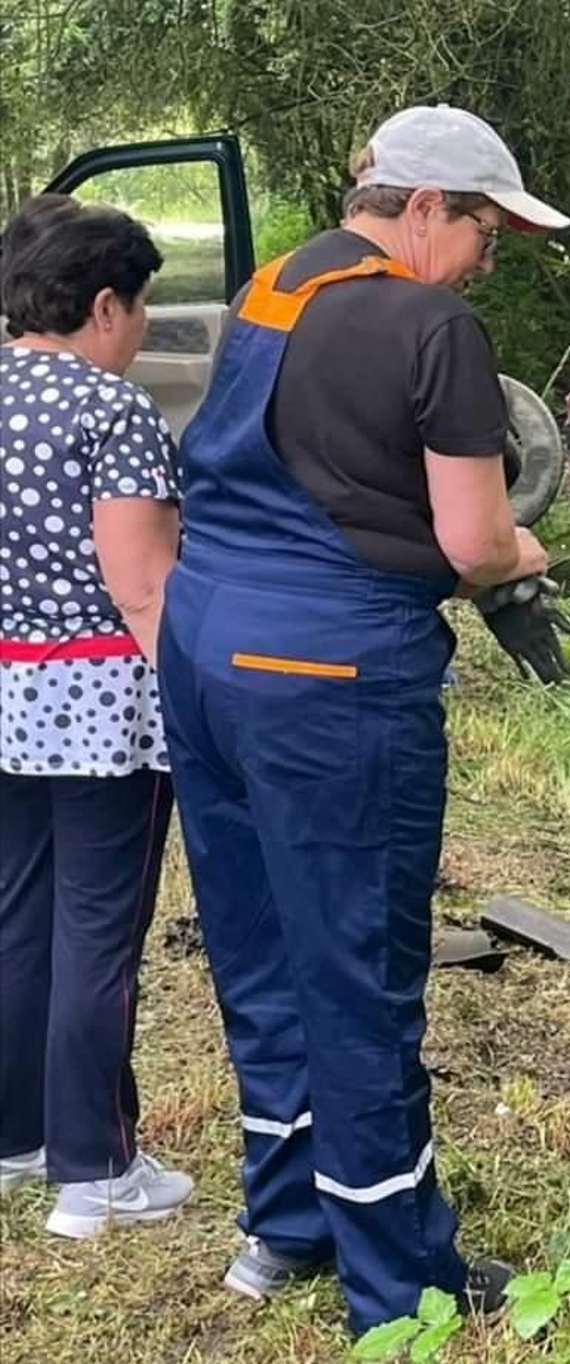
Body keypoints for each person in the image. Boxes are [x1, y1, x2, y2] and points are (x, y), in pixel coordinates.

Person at [155, 105, 567, 1334]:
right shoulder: (430, 320)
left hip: (205, 646)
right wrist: (524, 545)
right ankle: (399, 1282)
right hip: (327, 673)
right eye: (486, 226)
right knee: (359, 969)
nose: (490, 255)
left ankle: (284, 1222)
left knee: (262, 946)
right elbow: (476, 540)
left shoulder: (275, 284)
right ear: (427, 206)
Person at [0, 195, 193, 1234]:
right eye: (146, 305)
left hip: (3, 688)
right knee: (98, 930)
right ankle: (94, 1169)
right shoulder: (109, 411)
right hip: (100, 703)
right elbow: (143, 586)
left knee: (16, 915)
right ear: (105, 303)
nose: (147, 327)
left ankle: (15, 1137)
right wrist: (202, 705)